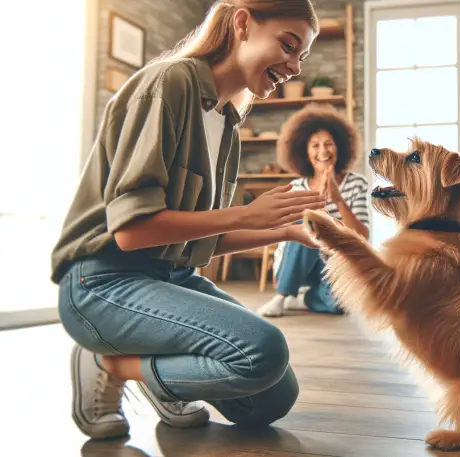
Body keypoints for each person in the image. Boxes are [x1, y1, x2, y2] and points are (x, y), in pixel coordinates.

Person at [51, 0, 327, 441]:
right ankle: (110, 363)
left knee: (273, 396)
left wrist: (283, 232)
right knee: (263, 353)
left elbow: (193, 241)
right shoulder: (170, 83)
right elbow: (131, 232)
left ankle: (155, 373)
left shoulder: (228, 124)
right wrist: (246, 214)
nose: (294, 66)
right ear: (242, 23)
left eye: (302, 56)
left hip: (168, 276)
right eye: (288, 45)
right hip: (101, 283)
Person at [257, 103, 370, 317]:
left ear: (341, 147)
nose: (323, 151)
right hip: (297, 265)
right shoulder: (297, 186)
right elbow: (287, 236)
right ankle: (283, 295)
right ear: (304, 152)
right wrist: (280, 272)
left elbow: (363, 236)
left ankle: (305, 298)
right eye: (315, 145)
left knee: (339, 305)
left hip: (335, 268)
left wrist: (337, 200)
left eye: (329, 144)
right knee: (309, 223)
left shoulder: (356, 184)